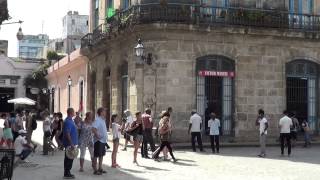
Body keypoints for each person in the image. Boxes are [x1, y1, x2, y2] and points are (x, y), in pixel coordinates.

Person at [62, 108, 78, 179]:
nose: (75, 112)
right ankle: (67, 173)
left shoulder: (71, 120)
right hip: (69, 144)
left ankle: (67, 172)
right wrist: (71, 143)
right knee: (69, 158)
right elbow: (67, 133)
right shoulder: (68, 121)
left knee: (70, 158)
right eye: (74, 112)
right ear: (71, 112)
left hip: (71, 143)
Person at [92, 108, 108, 175]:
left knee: (101, 155)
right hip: (98, 141)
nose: (106, 112)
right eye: (104, 111)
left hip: (103, 141)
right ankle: (95, 170)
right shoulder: (97, 120)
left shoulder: (102, 120)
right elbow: (93, 128)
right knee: (96, 155)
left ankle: (100, 168)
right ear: (101, 112)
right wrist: (97, 135)